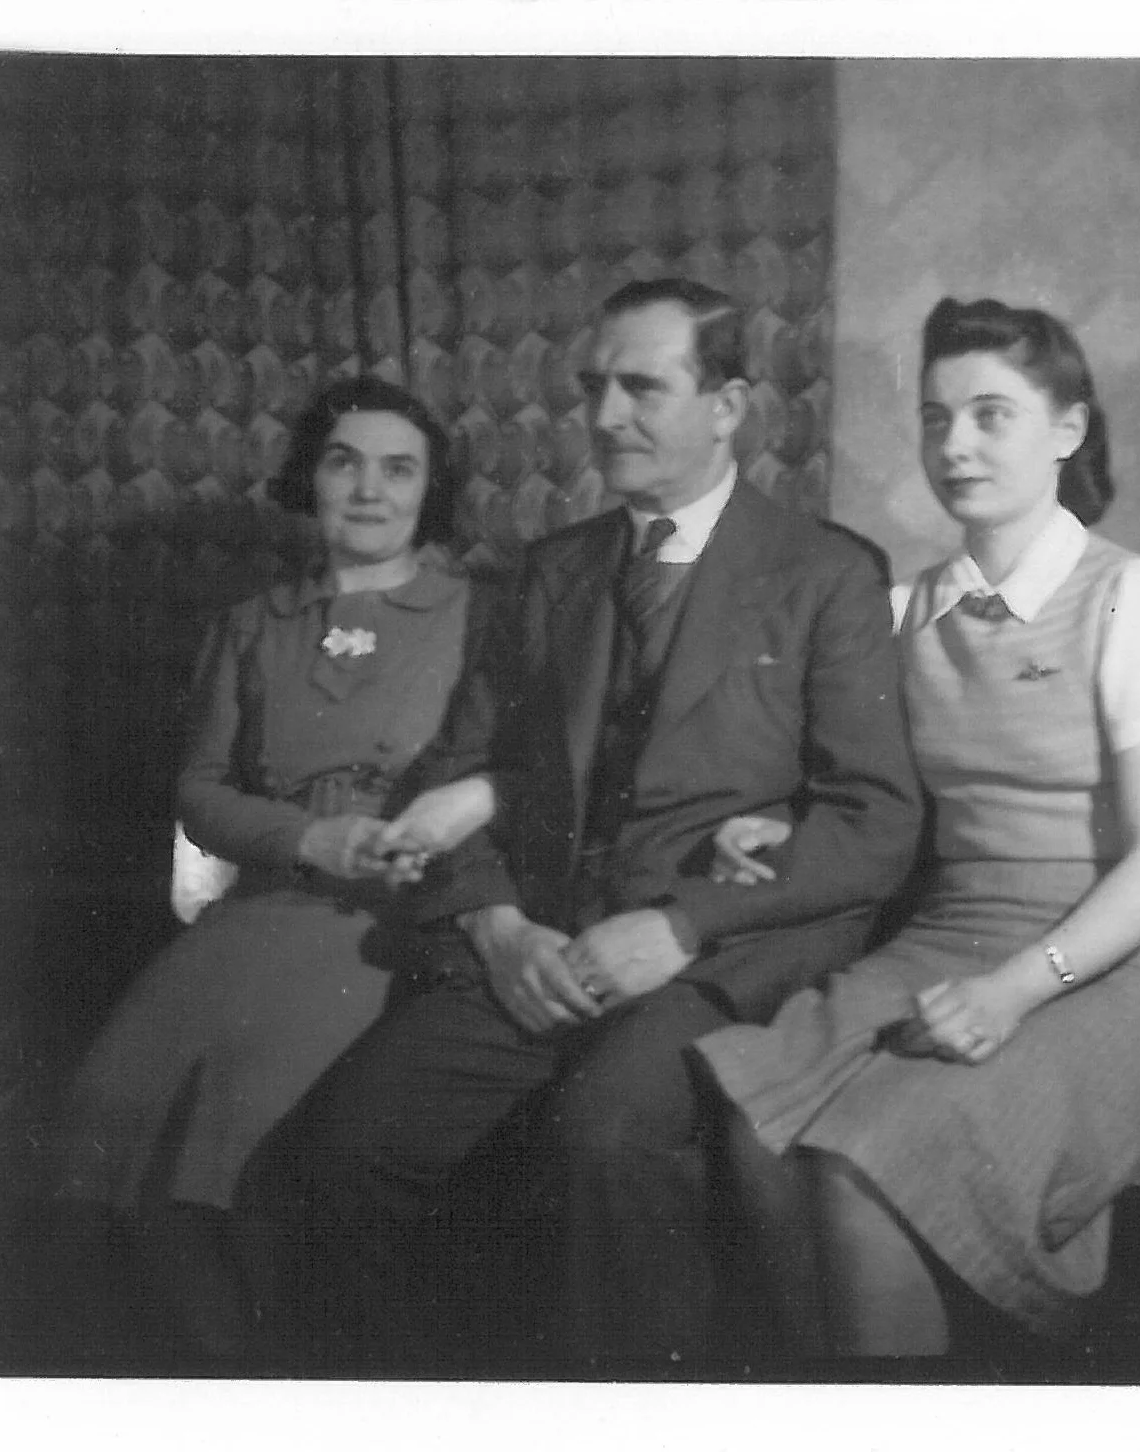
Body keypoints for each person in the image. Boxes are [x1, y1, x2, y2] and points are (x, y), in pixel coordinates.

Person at [270, 278, 922, 1373]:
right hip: (543, 949)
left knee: (602, 1141)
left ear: (727, 405)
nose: (606, 415)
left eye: (642, 387)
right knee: (344, 1148)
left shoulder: (826, 574)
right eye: (594, 388)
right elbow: (459, 769)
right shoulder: (555, 571)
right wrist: (496, 930)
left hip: (717, 954)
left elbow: (875, 822)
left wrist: (683, 926)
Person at [695, 296, 1140, 1359]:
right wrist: (777, 827)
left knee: (861, 1161)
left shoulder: (1136, 595)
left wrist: (1014, 991)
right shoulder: (897, 610)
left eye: (990, 415)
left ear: (1067, 429)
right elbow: (864, 795)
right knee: (749, 1117)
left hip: (1117, 964)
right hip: (947, 935)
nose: (955, 445)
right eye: (936, 419)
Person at [49, 376, 477, 1367]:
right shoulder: (253, 623)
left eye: (398, 468)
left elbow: (508, 775)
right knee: (103, 1122)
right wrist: (303, 839)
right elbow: (199, 790)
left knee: (240, 1163)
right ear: (309, 479)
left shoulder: (478, 615)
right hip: (257, 913)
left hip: (387, 924)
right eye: (343, 461)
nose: (369, 490)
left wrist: (392, 840)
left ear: (431, 489)